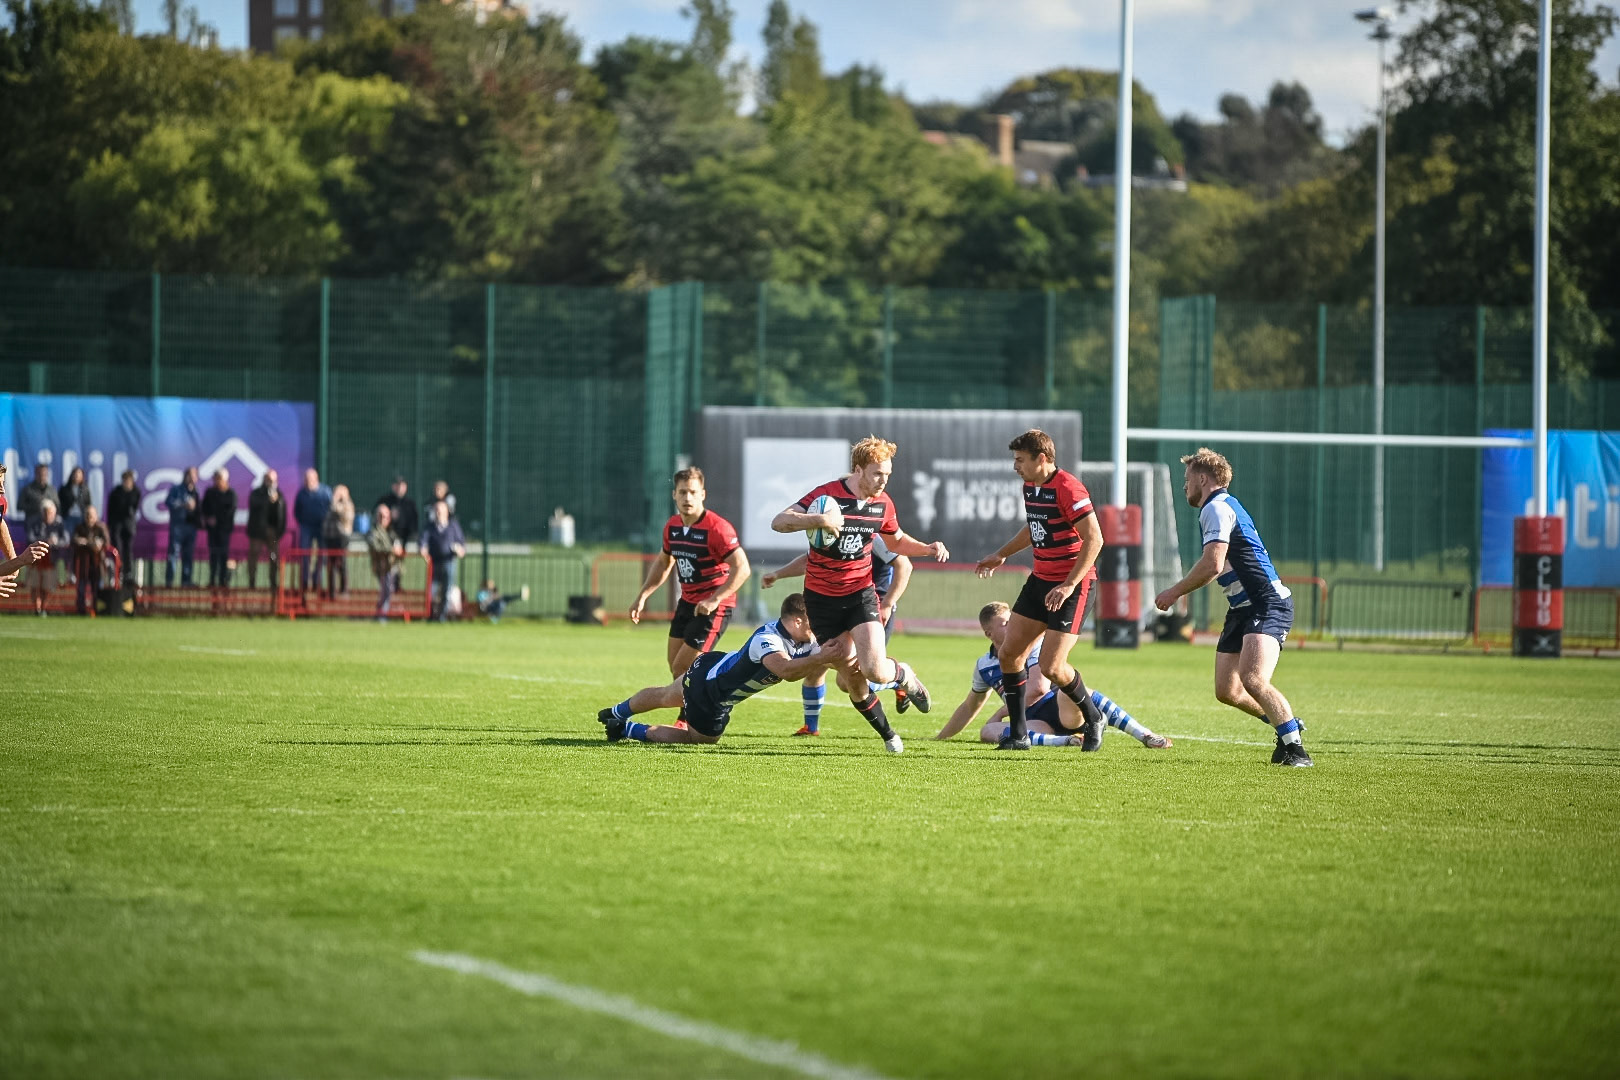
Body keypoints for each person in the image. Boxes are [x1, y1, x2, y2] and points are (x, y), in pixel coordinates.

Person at [770, 436, 949, 754]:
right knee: (850, 677)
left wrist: (927, 548)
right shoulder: (827, 496)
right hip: (821, 602)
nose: (884, 480)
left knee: (875, 669)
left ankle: (903, 675)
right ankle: (889, 734)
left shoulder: (883, 504)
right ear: (858, 470)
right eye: (878, 473)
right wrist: (818, 520)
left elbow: (896, 542)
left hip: (860, 595)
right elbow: (779, 521)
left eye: (888, 474)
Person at [1154, 447, 1314, 767]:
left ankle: (1296, 750)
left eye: (1188, 479)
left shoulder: (1216, 507)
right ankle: (1286, 724)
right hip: (1242, 607)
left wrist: (1174, 592)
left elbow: (1213, 564)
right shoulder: (1222, 507)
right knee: (1227, 690)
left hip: (1265, 603)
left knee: (1253, 679)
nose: (1184, 486)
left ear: (1203, 478)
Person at [975, 429, 1108, 752]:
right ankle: (1018, 736)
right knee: (1009, 653)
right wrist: (1003, 553)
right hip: (1041, 580)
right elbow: (1033, 527)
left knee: (1051, 667)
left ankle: (1093, 717)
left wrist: (1068, 585)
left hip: (1073, 585)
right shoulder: (1031, 486)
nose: (1015, 466)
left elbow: (1095, 539)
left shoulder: (1068, 487)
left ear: (1042, 459)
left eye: (1021, 460)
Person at [597, 592, 847, 746]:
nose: (816, 628)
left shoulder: (804, 640)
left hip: (709, 666)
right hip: (712, 692)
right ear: (797, 620)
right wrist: (821, 658)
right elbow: (786, 671)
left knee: (666, 695)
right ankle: (626, 728)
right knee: (701, 739)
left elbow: (828, 657)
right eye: (812, 622)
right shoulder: (768, 640)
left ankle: (616, 712)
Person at [933, 602, 1172, 749]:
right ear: (988, 633)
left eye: (1013, 619)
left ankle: (1145, 735)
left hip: (1058, 709)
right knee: (988, 732)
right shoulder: (984, 665)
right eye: (1005, 623)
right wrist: (940, 738)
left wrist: (1003, 710)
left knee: (1076, 692)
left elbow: (1038, 689)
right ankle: (1064, 742)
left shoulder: (1033, 645)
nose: (1013, 624)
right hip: (1036, 722)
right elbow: (969, 706)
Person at [761, 534, 913, 735]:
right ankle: (811, 728)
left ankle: (899, 678)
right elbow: (809, 560)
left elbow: (904, 565)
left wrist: (887, 603)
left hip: (870, 609)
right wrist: (779, 574)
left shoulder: (873, 533)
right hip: (835, 607)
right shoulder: (828, 533)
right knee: (818, 661)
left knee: (848, 681)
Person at [630, 467, 752, 680]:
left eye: (693, 492)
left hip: (714, 607)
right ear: (674, 495)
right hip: (687, 602)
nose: (688, 497)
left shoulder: (717, 529)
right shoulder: (672, 527)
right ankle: (697, 704)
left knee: (683, 669)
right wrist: (642, 596)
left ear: (702, 494)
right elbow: (663, 563)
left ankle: (690, 714)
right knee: (675, 667)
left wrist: (715, 599)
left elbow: (743, 568)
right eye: (683, 492)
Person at [420, 499, 465, 622]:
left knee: (447, 590)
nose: (438, 513)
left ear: (447, 511)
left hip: (449, 561)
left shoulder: (453, 525)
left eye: (441, 510)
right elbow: (423, 541)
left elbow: (461, 544)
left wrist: (459, 549)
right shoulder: (430, 526)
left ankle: (442, 616)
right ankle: (430, 614)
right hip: (434, 562)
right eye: (436, 510)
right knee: (432, 590)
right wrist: (423, 549)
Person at [245, 469, 287, 589]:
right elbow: (254, 504)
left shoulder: (279, 495)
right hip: (257, 532)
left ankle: (273, 583)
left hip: (273, 533)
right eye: (268, 479)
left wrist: (280, 531)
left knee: (274, 557)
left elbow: (282, 514)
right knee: (254, 556)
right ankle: (252, 582)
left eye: (273, 480)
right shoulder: (257, 493)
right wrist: (267, 500)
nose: (271, 482)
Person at [293, 468, 332, 590]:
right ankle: (305, 582)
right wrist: (303, 522)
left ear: (316, 479)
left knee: (322, 555)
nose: (307, 481)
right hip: (306, 527)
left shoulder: (325, 492)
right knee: (304, 554)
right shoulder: (301, 494)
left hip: (322, 528)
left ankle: (317, 581)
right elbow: (297, 511)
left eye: (309, 479)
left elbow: (331, 509)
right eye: (305, 479)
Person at [27, 501, 69, 614]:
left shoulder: (59, 523)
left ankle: (43, 608)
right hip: (36, 560)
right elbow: (30, 537)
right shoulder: (35, 522)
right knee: (35, 585)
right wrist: (45, 541)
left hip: (51, 560)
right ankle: (37, 607)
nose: (48, 515)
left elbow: (65, 540)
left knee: (47, 586)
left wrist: (55, 542)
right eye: (46, 513)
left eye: (50, 513)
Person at [199, 469, 237, 589]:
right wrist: (208, 519)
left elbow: (230, 511)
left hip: (224, 530)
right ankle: (212, 580)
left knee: (223, 555)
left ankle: (222, 580)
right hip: (212, 530)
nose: (216, 481)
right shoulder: (210, 492)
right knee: (213, 555)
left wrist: (217, 519)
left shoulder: (231, 494)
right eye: (215, 478)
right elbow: (204, 507)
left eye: (219, 478)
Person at [164, 466, 202, 588]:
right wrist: (183, 504)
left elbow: (199, 510)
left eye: (194, 476)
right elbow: (168, 502)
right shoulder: (177, 489)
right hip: (178, 527)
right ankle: (169, 581)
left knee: (188, 555)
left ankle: (186, 581)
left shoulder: (196, 492)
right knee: (173, 554)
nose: (192, 478)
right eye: (190, 475)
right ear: (185, 476)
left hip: (191, 527)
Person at [70, 505, 112, 614]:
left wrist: (93, 543)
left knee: (97, 589)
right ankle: (81, 610)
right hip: (83, 564)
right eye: (88, 516)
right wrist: (89, 542)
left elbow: (106, 542)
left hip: (97, 564)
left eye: (92, 516)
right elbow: (74, 540)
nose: (90, 519)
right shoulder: (80, 527)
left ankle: (97, 609)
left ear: (96, 516)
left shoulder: (101, 527)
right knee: (81, 588)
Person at [366, 503, 405, 620]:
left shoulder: (391, 531)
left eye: (386, 516)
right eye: (381, 516)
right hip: (381, 567)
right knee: (386, 591)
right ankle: (382, 615)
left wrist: (398, 548)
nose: (384, 519)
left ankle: (380, 613)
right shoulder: (373, 532)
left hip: (392, 566)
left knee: (388, 591)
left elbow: (397, 543)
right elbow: (375, 546)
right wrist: (392, 550)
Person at [107, 470, 141, 584]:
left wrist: (129, 492)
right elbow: (111, 509)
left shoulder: (135, 492)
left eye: (129, 480)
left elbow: (133, 507)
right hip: (117, 524)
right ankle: (118, 572)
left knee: (128, 550)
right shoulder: (116, 492)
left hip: (129, 525)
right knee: (117, 549)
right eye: (125, 480)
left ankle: (128, 573)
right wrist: (110, 524)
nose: (127, 483)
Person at [322, 484, 355, 598]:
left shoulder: (348, 504)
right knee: (331, 564)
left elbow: (344, 516)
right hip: (330, 537)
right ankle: (331, 591)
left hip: (341, 539)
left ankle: (344, 589)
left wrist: (336, 501)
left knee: (342, 563)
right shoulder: (331, 504)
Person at [378, 476, 419, 547]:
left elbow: (414, 523)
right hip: (387, 535)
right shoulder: (385, 500)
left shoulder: (410, 503)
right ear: (393, 486)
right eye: (397, 485)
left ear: (405, 487)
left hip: (405, 536)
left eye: (402, 485)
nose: (399, 488)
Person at [19, 464, 55, 530]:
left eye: (44, 474)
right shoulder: (28, 489)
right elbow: (19, 506)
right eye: (39, 474)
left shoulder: (52, 490)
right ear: (35, 474)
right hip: (32, 524)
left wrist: (50, 508)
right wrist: (35, 506)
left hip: (49, 526)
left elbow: (58, 505)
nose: (42, 476)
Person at [57, 465, 90, 535]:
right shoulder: (64, 489)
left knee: (80, 536)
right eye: (75, 474)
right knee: (68, 536)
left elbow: (88, 503)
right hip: (68, 516)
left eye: (79, 474)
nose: (76, 476)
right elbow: (60, 502)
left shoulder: (85, 489)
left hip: (81, 517)